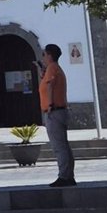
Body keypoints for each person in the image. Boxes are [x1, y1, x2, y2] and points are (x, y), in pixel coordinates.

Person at [40, 42, 74, 186]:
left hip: (54, 111)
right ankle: (68, 176)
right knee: (63, 145)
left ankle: (64, 176)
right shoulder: (53, 69)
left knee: (59, 146)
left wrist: (49, 106)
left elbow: (49, 86)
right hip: (58, 110)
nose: (42, 57)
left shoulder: (52, 67)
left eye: (44, 54)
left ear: (49, 55)